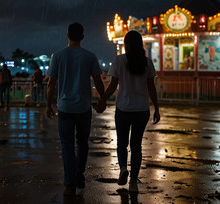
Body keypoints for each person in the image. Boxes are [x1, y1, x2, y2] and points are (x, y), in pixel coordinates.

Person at [96, 30, 160, 193]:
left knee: (122, 144)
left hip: (123, 108)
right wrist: (157, 108)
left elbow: (112, 85)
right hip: (142, 109)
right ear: (140, 44)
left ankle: (123, 168)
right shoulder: (147, 62)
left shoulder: (119, 60)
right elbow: (151, 88)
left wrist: (102, 99)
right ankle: (133, 182)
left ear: (126, 44)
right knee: (136, 145)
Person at [46, 22, 105, 197]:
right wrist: (102, 99)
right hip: (83, 107)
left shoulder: (57, 56)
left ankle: (69, 184)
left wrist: (48, 104)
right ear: (82, 37)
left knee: (67, 146)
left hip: (65, 108)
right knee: (83, 143)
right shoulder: (90, 56)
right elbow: (98, 81)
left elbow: (51, 84)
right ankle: (79, 174)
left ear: (68, 35)